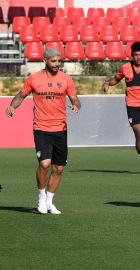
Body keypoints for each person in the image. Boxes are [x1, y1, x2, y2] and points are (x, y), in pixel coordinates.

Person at [5, 47, 81, 214]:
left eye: (59, 61)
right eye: (53, 61)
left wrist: (76, 105)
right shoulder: (33, 79)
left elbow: (75, 99)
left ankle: (49, 201)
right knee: (44, 164)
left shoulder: (66, 79)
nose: (57, 64)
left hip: (60, 129)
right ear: (45, 61)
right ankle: (41, 197)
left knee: (58, 168)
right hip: (41, 128)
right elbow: (21, 95)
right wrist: (12, 106)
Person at [102, 42, 140, 174]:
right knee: (139, 134)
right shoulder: (125, 68)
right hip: (132, 106)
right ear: (131, 55)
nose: (138, 57)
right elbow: (116, 79)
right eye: (135, 55)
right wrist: (107, 83)